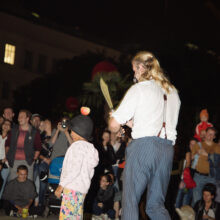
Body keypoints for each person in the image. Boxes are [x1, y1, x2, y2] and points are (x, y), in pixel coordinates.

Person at [108, 51, 181, 220]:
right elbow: (152, 123)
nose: (134, 73)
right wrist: (127, 122)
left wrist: (115, 117)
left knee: (131, 201)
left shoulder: (140, 89)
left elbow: (113, 126)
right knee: (156, 205)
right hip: (166, 150)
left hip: (143, 148)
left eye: (134, 69)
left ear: (141, 67)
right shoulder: (173, 92)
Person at [55, 113, 99, 219]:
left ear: (79, 131)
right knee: (75, 216)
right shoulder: (91, 149)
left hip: (71, 187)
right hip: (82, 189)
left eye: (72, 130)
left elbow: (74, 169)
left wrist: (61, 186)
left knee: (67, 217)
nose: (70, 132)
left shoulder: (76, 147)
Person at [5, 109, 42, 181]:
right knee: (13, 182)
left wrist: (33, 159)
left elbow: (38, 147)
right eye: (19, 117)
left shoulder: (34, 131)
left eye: (22, 117)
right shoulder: (14, 129)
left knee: (28, 183)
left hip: (28, 162)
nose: (19, 119)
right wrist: (8, 155)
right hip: (14, 161)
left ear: (27, 118)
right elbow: (7, 143)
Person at [191, 127, 218, 206]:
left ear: (214, 137)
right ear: (205, 134)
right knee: (196, 201)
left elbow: (217, 161)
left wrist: (206, 154)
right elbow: (191, 159)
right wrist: (196, 154)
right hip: (198, 176)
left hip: (212, 178)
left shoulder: (217, 147)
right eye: (208, 133)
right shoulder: (198, 145)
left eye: (212, 135)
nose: (209, 136)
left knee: (209, 202)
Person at [0, 119, 12, 200]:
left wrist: (4, 160)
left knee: (1, 186)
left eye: (8, 124)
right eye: (4, 123)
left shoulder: (11, 139)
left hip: (5, 164)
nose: (6, 125)